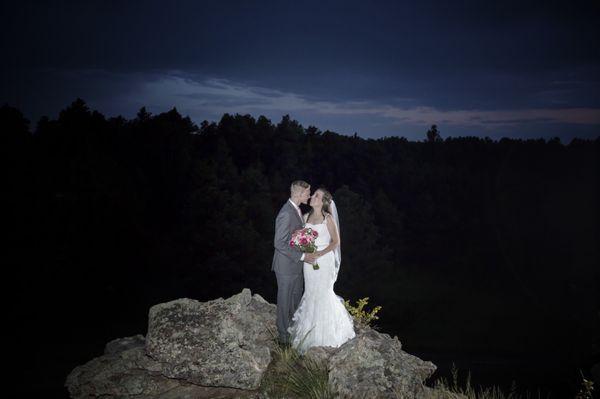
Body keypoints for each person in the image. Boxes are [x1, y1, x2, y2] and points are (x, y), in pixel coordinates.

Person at [287, 188, 356, 354]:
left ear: (323, 201)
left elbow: (336, 242)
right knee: (310, 292)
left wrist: (320, 253)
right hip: (309, 262)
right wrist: (303, 248)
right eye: (314, 194)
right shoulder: (305, 217)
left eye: (316, 195)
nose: (312, 196)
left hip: (324, 261)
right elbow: (298, 238)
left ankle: (327, 337)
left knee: (323, 293)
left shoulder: (328, 219)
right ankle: (308, 336)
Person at [272, 180, 318, 345]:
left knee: (295, 299)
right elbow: (279, 242)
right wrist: (302, 257)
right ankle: (283, 338)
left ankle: (294, 332)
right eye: (308, 192)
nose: (309, 195)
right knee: (285, 301)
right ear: (299, 194)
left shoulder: (296, 209)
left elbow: (294, 237)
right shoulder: (286, 213)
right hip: (285, 266)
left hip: (296, 266)